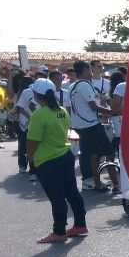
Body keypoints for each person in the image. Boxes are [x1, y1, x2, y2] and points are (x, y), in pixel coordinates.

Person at [26, 78, 88, 243]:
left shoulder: (39, 115)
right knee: (72, 192)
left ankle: (59, 232)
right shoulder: (62, 110)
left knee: (57, 198)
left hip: (47, 161)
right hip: (65, 156)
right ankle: (80, 225)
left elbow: (32, 141)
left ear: (37, 95)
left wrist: (30, 158)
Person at [67, 61, 114, 191]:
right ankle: (100, 183)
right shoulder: (84, 85)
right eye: (89, 69)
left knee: (90, 153)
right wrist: (113, 112)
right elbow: (93, 106)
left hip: (80, 125)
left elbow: (76, 108)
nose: (91, 72)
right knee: (107, 151)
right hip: (90, 125)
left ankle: (90, 181)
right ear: (84, 70)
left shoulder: (73, 86)